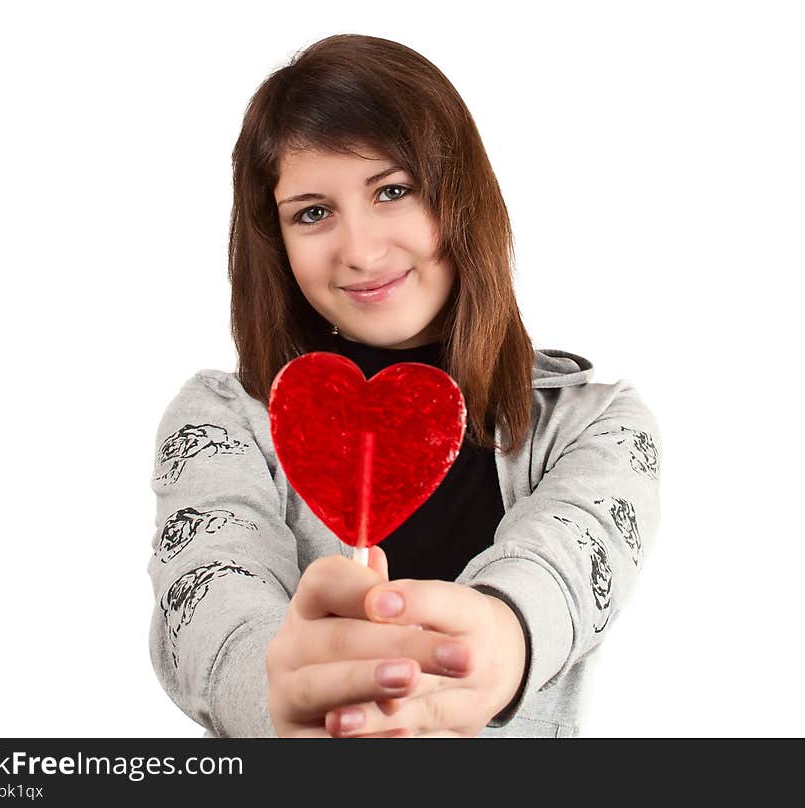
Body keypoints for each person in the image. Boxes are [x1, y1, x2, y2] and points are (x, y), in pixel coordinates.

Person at [147, 33, 662, 738]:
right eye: (312, 212)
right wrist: (285, 688)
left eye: (392, 190)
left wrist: (494, 642)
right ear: (277, 240)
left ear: (460, 196)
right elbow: (208, 596)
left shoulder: (596, 424)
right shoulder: (225, 418)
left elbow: (564, 569)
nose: (360, 250)